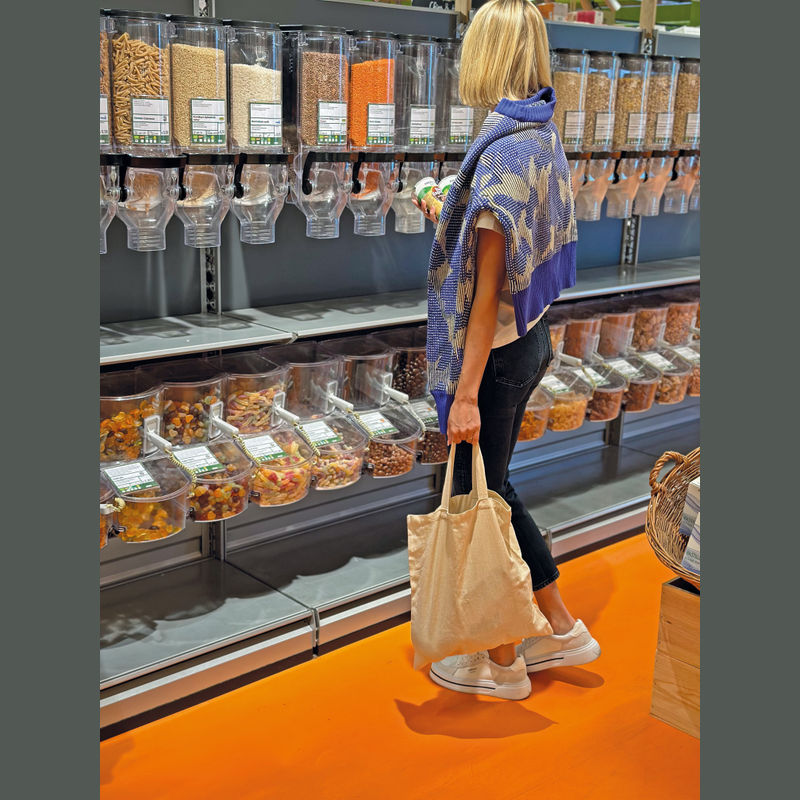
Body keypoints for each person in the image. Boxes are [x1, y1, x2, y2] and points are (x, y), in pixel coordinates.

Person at [415, 0, 600, 701]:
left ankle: (504, 663)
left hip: (493, 352)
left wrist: (464, 394)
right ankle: (552, 630)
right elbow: (509, 240)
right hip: (530, 337)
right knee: (492, 486)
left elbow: (488, 289)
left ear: (484, 55)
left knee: (482, 493)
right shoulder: (538, 130)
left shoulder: (502, 150)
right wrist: (454, 213)